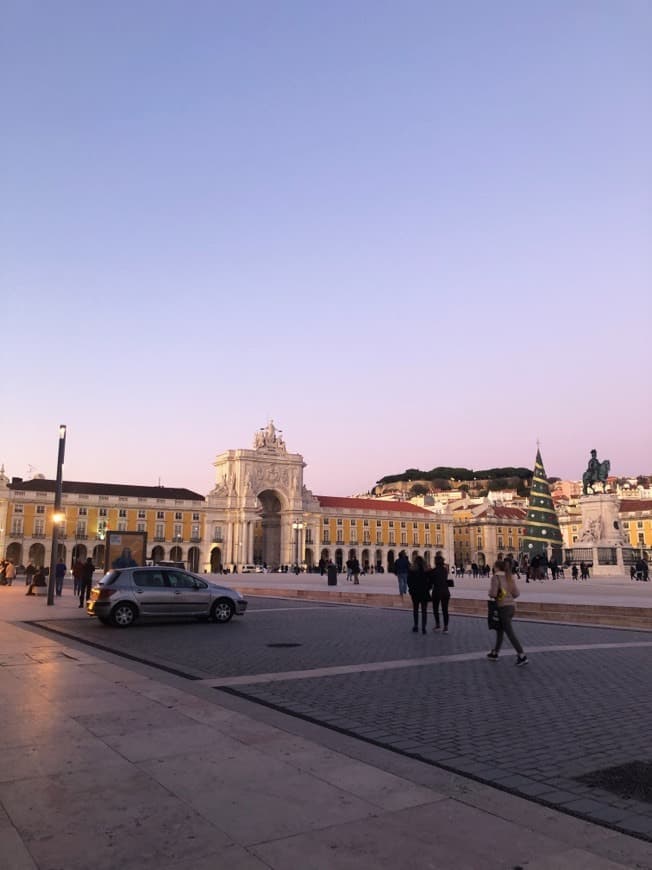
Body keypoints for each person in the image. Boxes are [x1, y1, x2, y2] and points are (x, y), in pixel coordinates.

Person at [487, 558, 528, 666]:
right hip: (511, 607)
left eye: (494, 566)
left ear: (497, 567)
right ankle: (495, 653)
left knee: (510, 633)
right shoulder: (509, 577)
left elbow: (494, 594)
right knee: (500, 630)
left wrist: (491, 593)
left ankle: (522, 655)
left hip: (502, 607)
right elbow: (516, 594)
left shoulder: (496, 577)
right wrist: (507, 594)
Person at [407, 555, 431, 635]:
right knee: (424, 610)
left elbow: (409, 581)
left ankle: (416, 626)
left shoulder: (412, 570)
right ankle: (424, 628)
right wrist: (428, 588)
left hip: (415, 592)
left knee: (415, 609)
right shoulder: (426, 570)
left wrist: (411, 589)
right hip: (424, 592)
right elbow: (430, 582)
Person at [430, 554, 451, 632]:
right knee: (445, 610)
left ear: (435, 562)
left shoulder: (433, 571)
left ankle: (438, 625)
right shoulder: (445, 570)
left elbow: (431, 581)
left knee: (435, 609)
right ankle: (446, 627)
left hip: (436, 592)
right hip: (445, 592)